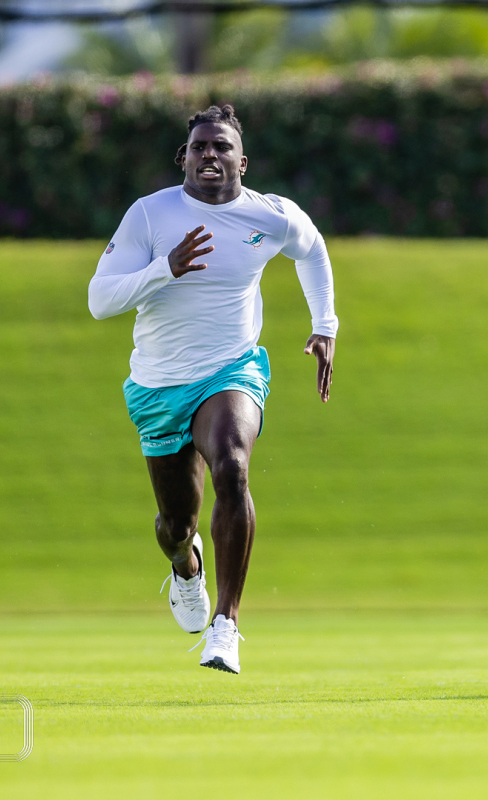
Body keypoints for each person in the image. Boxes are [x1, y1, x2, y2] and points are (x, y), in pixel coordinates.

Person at [88, 104, 338, 675]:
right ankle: (185, 566)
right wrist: (164, 270)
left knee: (232, 466)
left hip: (232, 368)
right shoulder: (150, 216)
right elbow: (99, 300)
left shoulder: (270, 216)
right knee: (175, 524)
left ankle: (226, 627)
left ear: (241, 162)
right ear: (184, 158)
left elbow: (314, 248)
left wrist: (325, 325)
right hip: (157, 384)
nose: (210, 155)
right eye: (200, 146)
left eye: (222, 147)